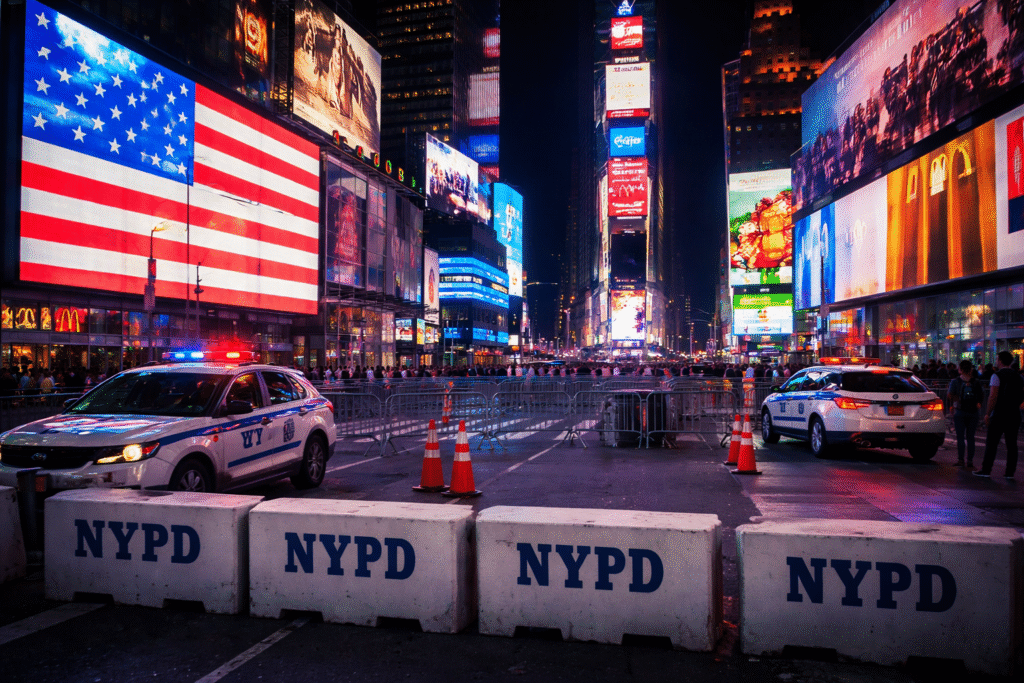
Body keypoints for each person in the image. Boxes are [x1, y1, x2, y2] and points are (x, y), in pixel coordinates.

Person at [975, 351, 1024, 479]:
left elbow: (993, 396)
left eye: (997, 359)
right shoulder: (1019, 376)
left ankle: (986, 470)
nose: (996, 361)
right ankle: (1010, 472)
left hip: (1000, 413)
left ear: (1000, 361)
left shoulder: (996, 376)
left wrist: (987, 413)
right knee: (1012, 444)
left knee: (992, 443)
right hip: (1014, 413)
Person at [947, 360, 983, 469]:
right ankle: (970, 461)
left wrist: (953, 405)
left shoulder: (955, 381)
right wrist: (978, 404)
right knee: (971, 437)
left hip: (960, 411)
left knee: (960, 437)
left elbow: (950, 395)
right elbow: (981, 395)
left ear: (960, 370)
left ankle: (961, 460)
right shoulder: (976, 382)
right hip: (973, 412)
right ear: (971, 370)